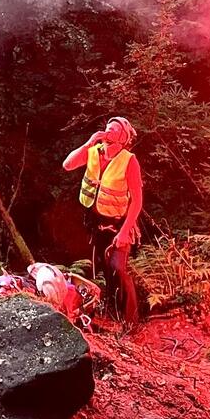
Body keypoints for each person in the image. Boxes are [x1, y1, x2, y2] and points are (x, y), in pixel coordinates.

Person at [63, 117, 143, 324]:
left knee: (118, 268)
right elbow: (68, 165)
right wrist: (88, 143)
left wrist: (125, 231)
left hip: (119, 222)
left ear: (124, 137)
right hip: (96, 221)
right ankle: (112, 314)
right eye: (108, 127)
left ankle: (131, 320)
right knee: (104, 268)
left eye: (115, 129)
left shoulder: (129, 160)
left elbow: (137, 200)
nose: (109, 131)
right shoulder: (93, 151)